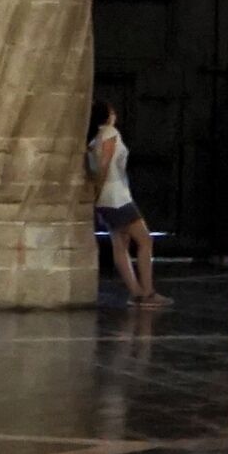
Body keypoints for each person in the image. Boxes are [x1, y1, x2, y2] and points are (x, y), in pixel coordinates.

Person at [85, 100, 156, 304]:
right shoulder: (109, 132)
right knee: (144, 240)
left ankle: (137, 292)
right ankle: (147, 290)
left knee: (120, 244)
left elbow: (93, 167)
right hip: (117, 197)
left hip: (108, 199)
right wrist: (98, 188)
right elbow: (104, 165)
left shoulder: (92, 141)